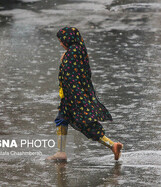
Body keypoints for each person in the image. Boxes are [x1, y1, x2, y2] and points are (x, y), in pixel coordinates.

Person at [46, 27, 123, 161]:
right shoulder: (79, 49)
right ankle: (111, 145)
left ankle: (112, 145)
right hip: (78, 94)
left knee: (84, 124)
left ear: (68, 39)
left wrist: (70, 98)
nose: (60, 44)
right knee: (65, 120)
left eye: (61, 41)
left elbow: (69, 77)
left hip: (73, 97)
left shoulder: (72, 53)